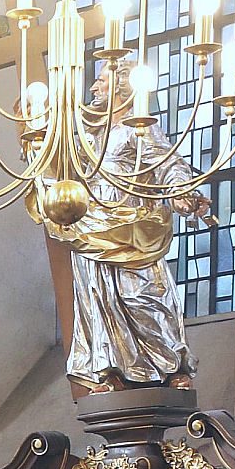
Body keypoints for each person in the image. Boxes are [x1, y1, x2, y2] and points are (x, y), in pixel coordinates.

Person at [58, 58, 213, 391]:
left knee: (141, 296)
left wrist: (181, 194)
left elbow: (168, 164)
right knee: (99, 297)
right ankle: (110, 369)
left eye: (101, 81)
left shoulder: (138, 127)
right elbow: (64, 172)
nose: (94, 87)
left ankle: (171, 366)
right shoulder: (88, 134)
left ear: (119, 87)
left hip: (132, 228)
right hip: (92, 225)